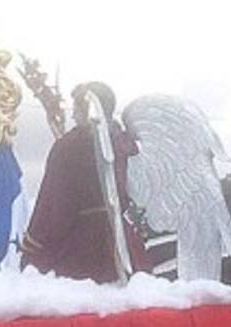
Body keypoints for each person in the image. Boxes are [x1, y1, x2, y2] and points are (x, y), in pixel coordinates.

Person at [23, 82, 147, 283]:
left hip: (81, 250)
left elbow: (55, 204)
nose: (73, 116)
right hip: (124, 243)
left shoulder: (69, 146)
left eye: (77, 109)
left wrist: (34, 246)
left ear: (89, 109)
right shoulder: (126, 143)